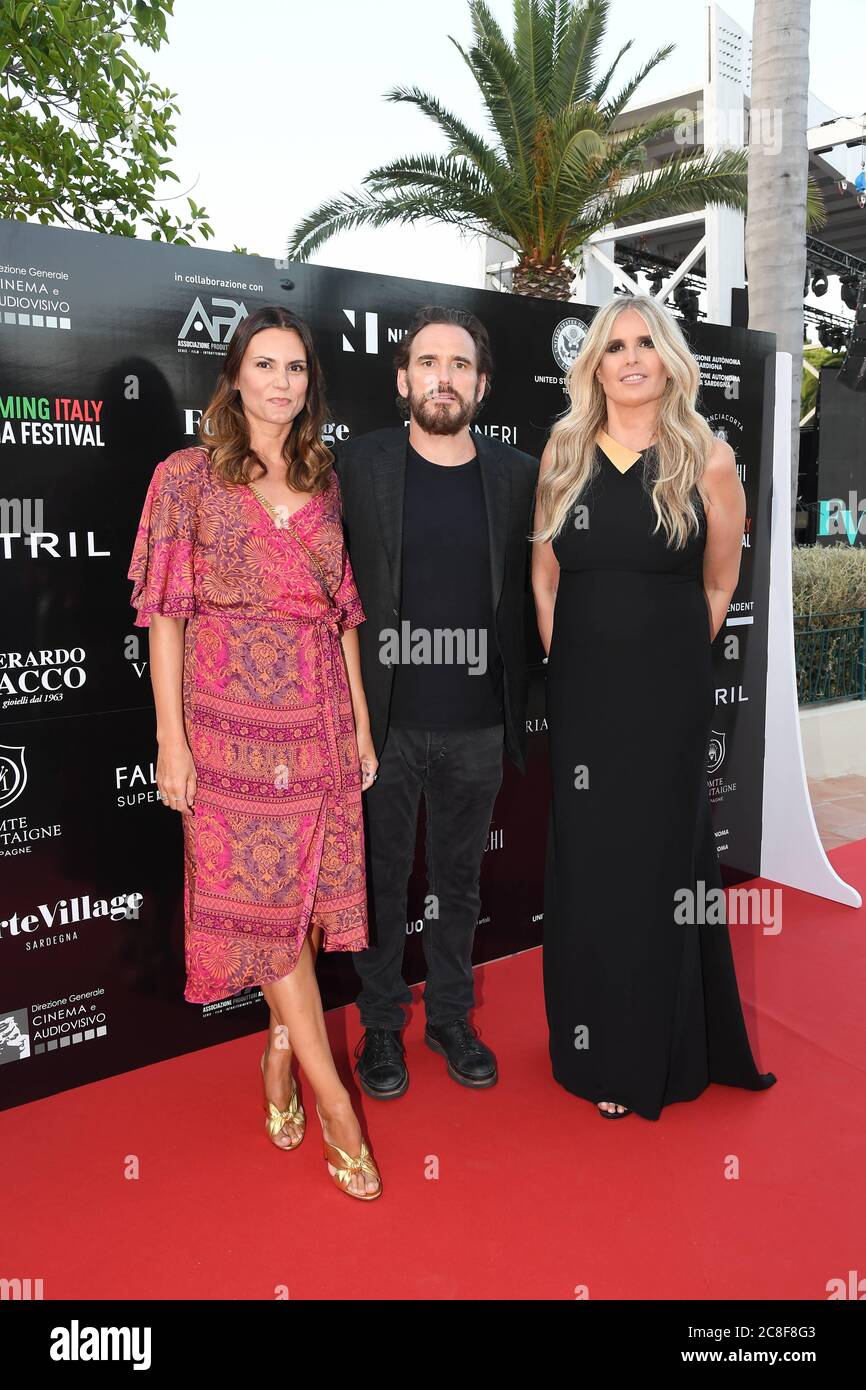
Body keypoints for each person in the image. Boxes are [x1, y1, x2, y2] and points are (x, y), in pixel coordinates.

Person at [128, 306, 382, 1198]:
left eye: (298, 369)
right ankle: (335, 1105)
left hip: (314, 716)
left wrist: (354, 719)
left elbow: (340, 610)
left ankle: (279, 1052)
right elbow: (165, 613)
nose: (283, 382)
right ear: (234, 376)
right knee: (262, 898)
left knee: (305, 897)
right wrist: (170, 737)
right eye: (265, 365)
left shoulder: (322, 474)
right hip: (227, 726)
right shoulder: (185, 479)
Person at [531, 292, 777, 1121]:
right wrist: (570, 659)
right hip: (583, 692)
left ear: (670, 358)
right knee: (594, 862)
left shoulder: (706, 455)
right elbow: (545, 575)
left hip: (667, 695)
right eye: (614, 346)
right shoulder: (564, 451)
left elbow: (719, 580)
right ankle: (595, 1039)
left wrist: (669, 660)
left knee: (660, 861)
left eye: (646, 343)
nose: (631, 359)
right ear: (594, 363)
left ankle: (655, 1050)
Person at [334, 305, 539, 1098]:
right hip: (382, 723)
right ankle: (381, 1026)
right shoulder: (361, 467)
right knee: (381, 883)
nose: (442, 378)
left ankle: (452, 1014)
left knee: (460, 882)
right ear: (402, 379)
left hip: (479, 723)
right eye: (428, 363)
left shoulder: (518, 475)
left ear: (481, 384)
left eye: (458, 365)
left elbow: (547, 585)